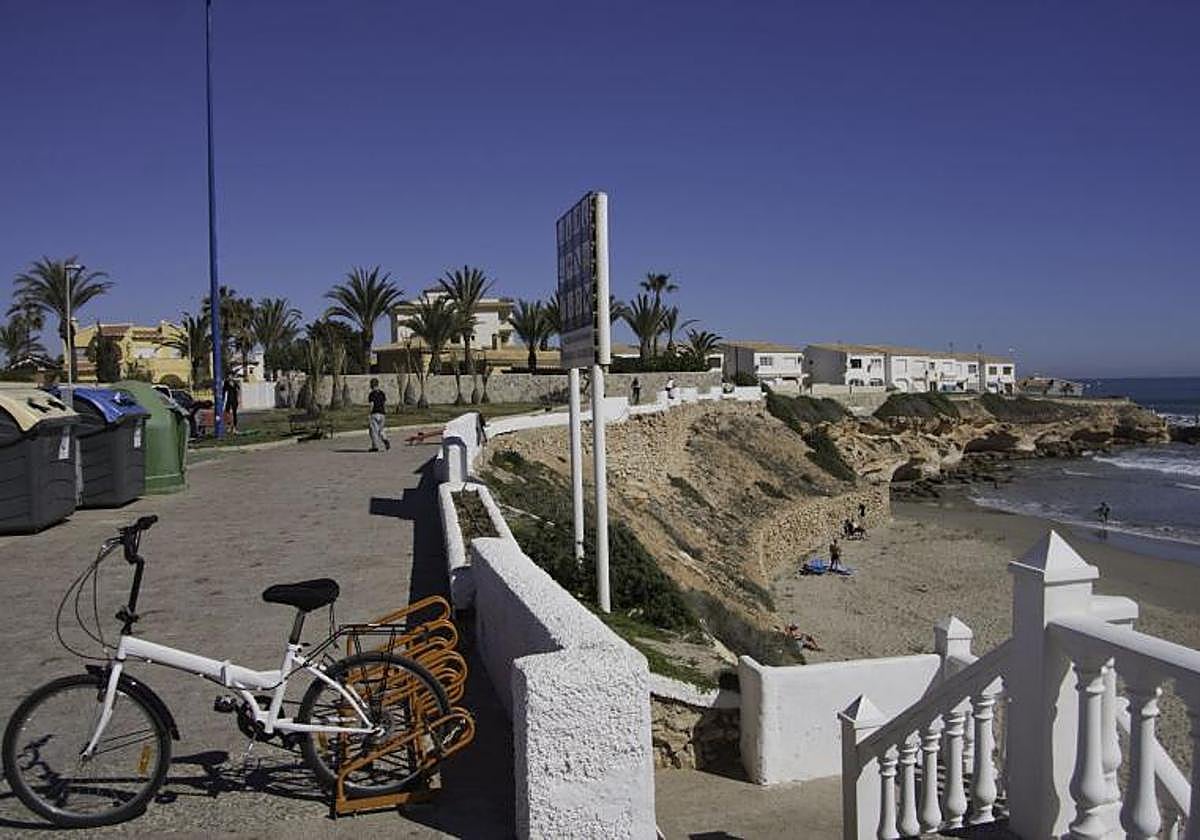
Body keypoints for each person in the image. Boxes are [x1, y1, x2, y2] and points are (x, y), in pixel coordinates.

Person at [367, 378, 390, 452]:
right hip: (382, 414)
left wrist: (369, 414)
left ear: (371, 385)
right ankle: (385, 439)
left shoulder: (371, 394)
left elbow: (372, 404)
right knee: (380, 430)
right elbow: (384, 404)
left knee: (373, 431)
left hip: (375, 413)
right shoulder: (382, 393)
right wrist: (385, 412)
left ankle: (375, 446)